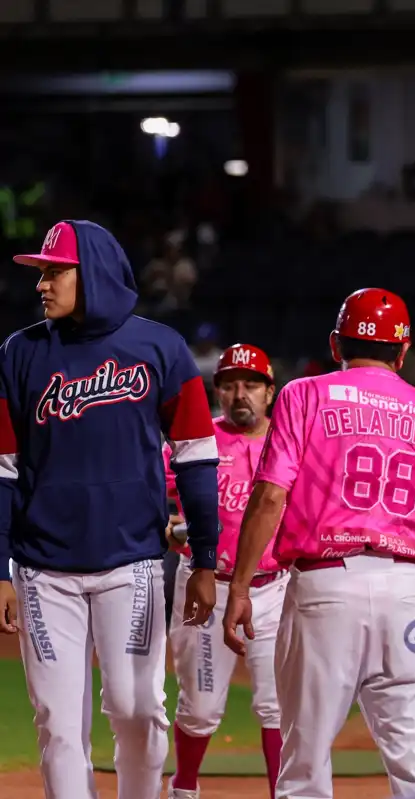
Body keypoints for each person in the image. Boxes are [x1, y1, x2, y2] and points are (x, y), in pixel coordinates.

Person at [221, 288, 415, 798]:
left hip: (324, 589)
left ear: (336, 344)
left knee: (304, 760)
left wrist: (241, 585)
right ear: (403, 353)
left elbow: (269, 497)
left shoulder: (303, 395)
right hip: (407, 594)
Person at [0, 220, 220, 798]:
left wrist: (204, 558)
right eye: (40, 274)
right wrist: (0, 567)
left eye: (54, 272)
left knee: (137, 707)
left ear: (91, 274)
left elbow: (197, 459)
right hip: (43, 568)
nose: (42, 285)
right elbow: (1, 470)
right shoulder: (19, 354)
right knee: (57, 722)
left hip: (134, 562)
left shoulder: (160, 348)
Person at [164, 343, 285, 799]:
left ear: (269, 391)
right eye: (230, 384)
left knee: (278, 705)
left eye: (251, 384)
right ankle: (184, 787)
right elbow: (148, 499)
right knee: (200, 705)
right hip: (205, 585)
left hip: (274, 588)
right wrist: (170, 531)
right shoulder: (198, 442)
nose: (240, 394)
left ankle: (283, 793)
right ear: (217, 392)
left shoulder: (290, 442)